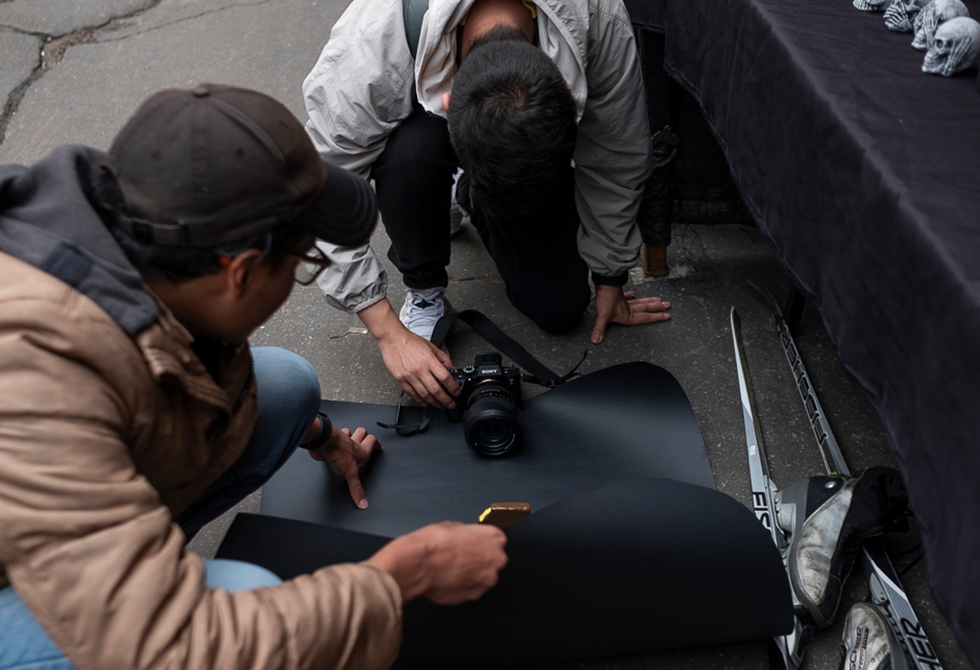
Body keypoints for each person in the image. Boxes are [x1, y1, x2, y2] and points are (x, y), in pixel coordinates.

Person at [0, 84, 507, 670]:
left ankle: (122, 551)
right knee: (245, 596)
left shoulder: (113, 227)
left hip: (36, 499)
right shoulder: (40, 373)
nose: (300, 275)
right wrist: (399, 578)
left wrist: (320, 434)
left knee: (286, 388)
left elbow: (171, 360)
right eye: (302, 264)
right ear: (238, 272)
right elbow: (178, 647)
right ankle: (107, 583)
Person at [303, 0, 672, 410]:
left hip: (508, 132)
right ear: (446, 105)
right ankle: (425, 286)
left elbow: (617, 154)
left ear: (567, 94)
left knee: (561, 308)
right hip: (417, 137)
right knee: (412, 151)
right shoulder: (367, 52)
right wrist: (388, 332)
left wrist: (609, 273)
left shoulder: (597, 19)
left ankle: (463, 191)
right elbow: (316, 196)